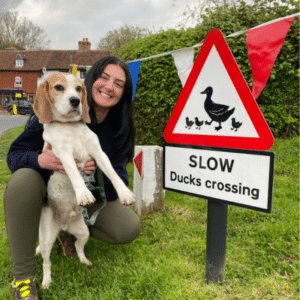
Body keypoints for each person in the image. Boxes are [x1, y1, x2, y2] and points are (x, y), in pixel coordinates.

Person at [4, 55, 141, 300]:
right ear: (90, 81)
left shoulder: (120, 125)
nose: (110, 87)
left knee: (128, 227)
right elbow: (14, 156)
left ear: (124, 92)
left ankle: (67, 231)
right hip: (50, 191)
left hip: (87, 198)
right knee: (22, 181)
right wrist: (41, 160)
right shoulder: (50, 114)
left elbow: (119, 175)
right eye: (104, 78)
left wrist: (96, 171)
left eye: (119, 84)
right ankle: (24, 278)